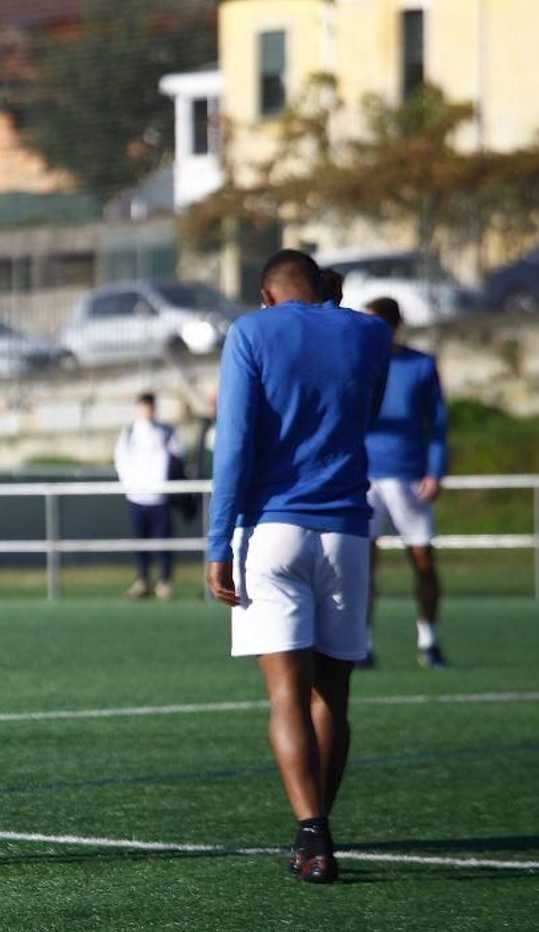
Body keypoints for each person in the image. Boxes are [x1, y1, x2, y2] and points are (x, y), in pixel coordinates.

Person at [205, 249, 391, 885]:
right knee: (331, 695)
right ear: (328, 287)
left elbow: (233, 445)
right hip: (345, 532)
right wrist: (334, 305)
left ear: (264, 296)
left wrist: (215, 544)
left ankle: (312, 833)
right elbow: (366, 410)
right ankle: (317, 830)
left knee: (286, 692)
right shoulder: (370, 332)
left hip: (271, 531)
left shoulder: (251, 332)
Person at [361, 297, 449, 670]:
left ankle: (429, 640)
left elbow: (438, 425)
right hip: (362, 477)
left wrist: (435, 471)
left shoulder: (420, 365)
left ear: (394, 326)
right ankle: (361, 644)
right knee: (362, 565)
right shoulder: (357, 364)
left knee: (423, 560)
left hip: (410, 477)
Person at [113, 392, 185, 600]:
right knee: (140, 542)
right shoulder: (128, 433)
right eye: (144, 407)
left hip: (161, 497)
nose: (148, 411)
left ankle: (164, 581)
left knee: (163, 542)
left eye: (151, 407)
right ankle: (142, 580)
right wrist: (129, 486)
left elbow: (179, 458)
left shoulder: (167, 432)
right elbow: (120, 460)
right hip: (137, 497)